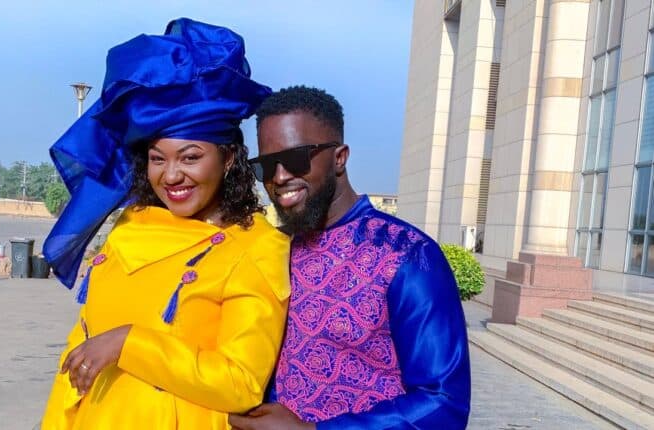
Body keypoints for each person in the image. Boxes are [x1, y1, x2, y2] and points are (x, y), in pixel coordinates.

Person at [39, 18, 290, 429]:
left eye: (190, 157)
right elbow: (80, 351)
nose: (171, 175)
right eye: (158, 159)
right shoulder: (133, 225)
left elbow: (240, 383)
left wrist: (129, 342)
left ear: (228, 158)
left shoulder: (255, 247)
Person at [229, 86, 471, 430]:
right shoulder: (274, 248)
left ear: (339, 157)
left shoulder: (406, 254)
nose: (279, 177)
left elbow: (443, 403)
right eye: (267, 166)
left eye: (296, 159)